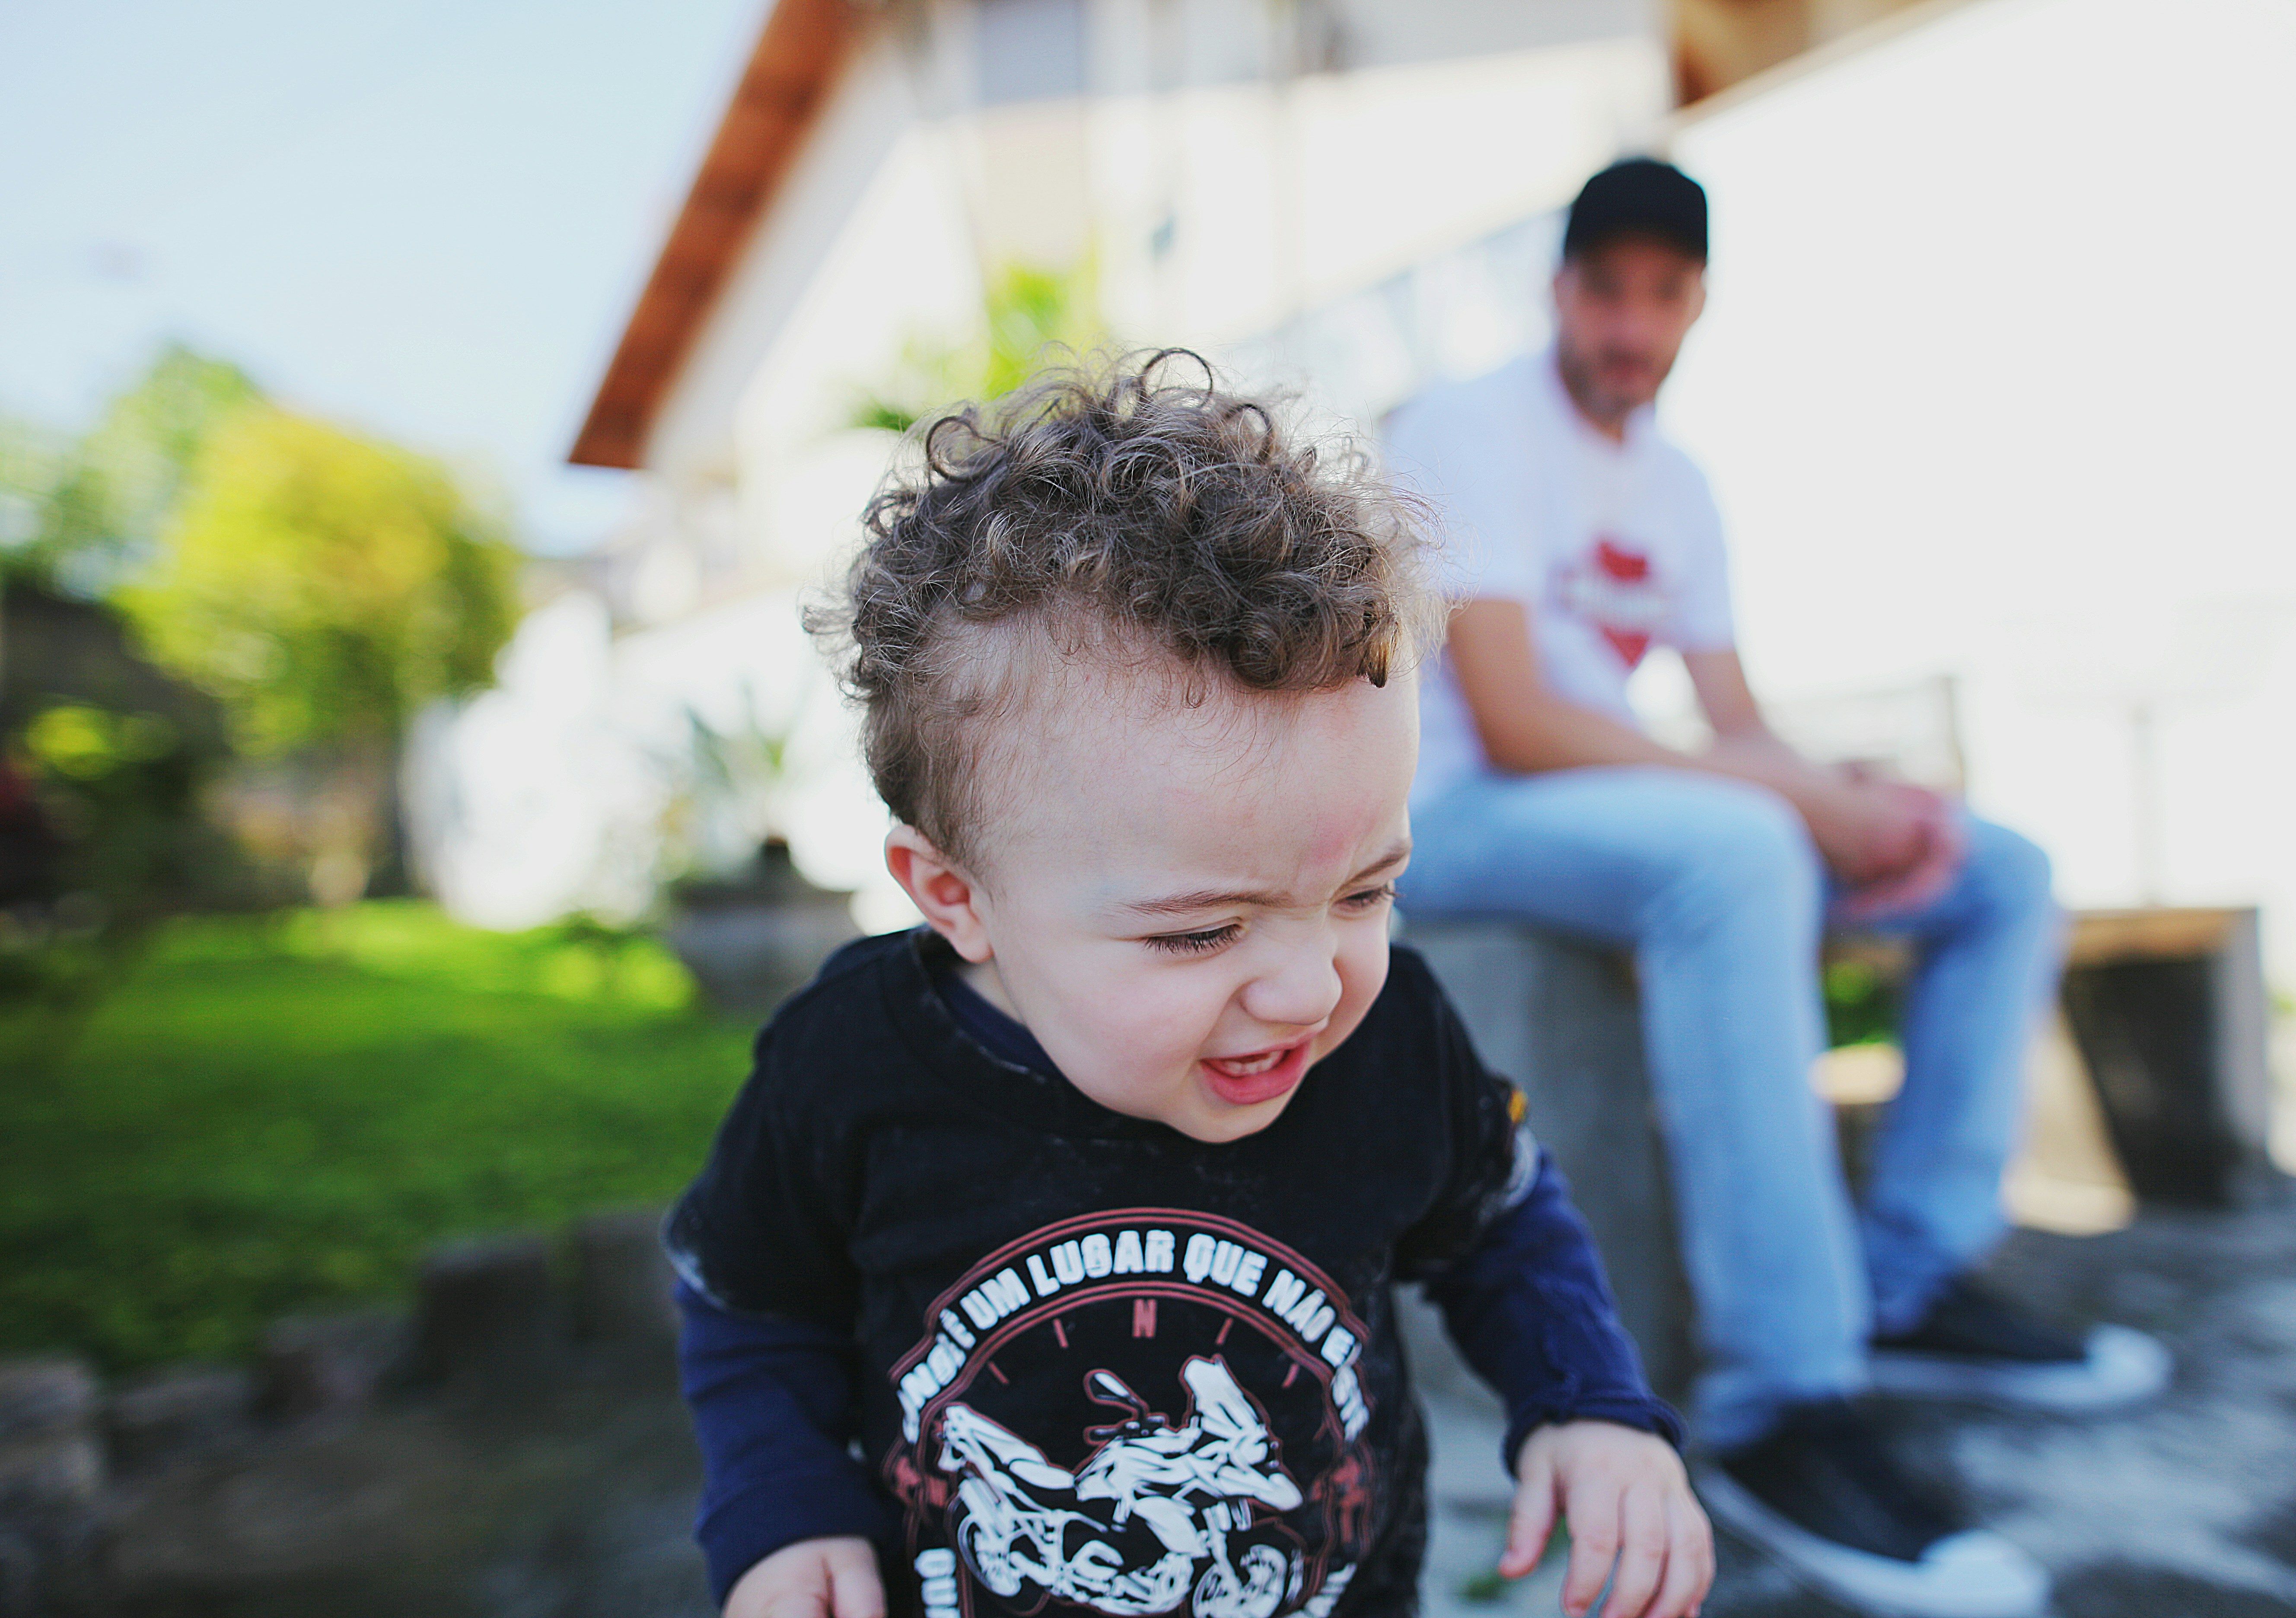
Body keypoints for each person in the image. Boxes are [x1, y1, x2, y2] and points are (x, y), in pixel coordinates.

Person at [666, 355, 1715, 1618]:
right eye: (1200, 933)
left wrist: (1589, 1404)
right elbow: (754, 1306)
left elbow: (1500, 1223)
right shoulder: (850, 1068)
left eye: (1365, 893)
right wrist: (784, 1511)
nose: (1305, 991)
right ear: (958, 896)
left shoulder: (1387, 1046)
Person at [1385, 159, 2169, 1618]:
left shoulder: (1680, 487)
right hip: (1466, 814)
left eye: (1661, 295)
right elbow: (1518, 716)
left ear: (1695, 306)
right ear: (1562, 293)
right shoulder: (1466, 427)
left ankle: (1908, 1283)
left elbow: (1734, 723)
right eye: (1604, 290)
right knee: (1742, 855)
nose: (1630, 324)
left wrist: (1859, 806)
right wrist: (1794, 805)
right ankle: (1774, 1404)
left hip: (1632, 806)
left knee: (1998, 870)